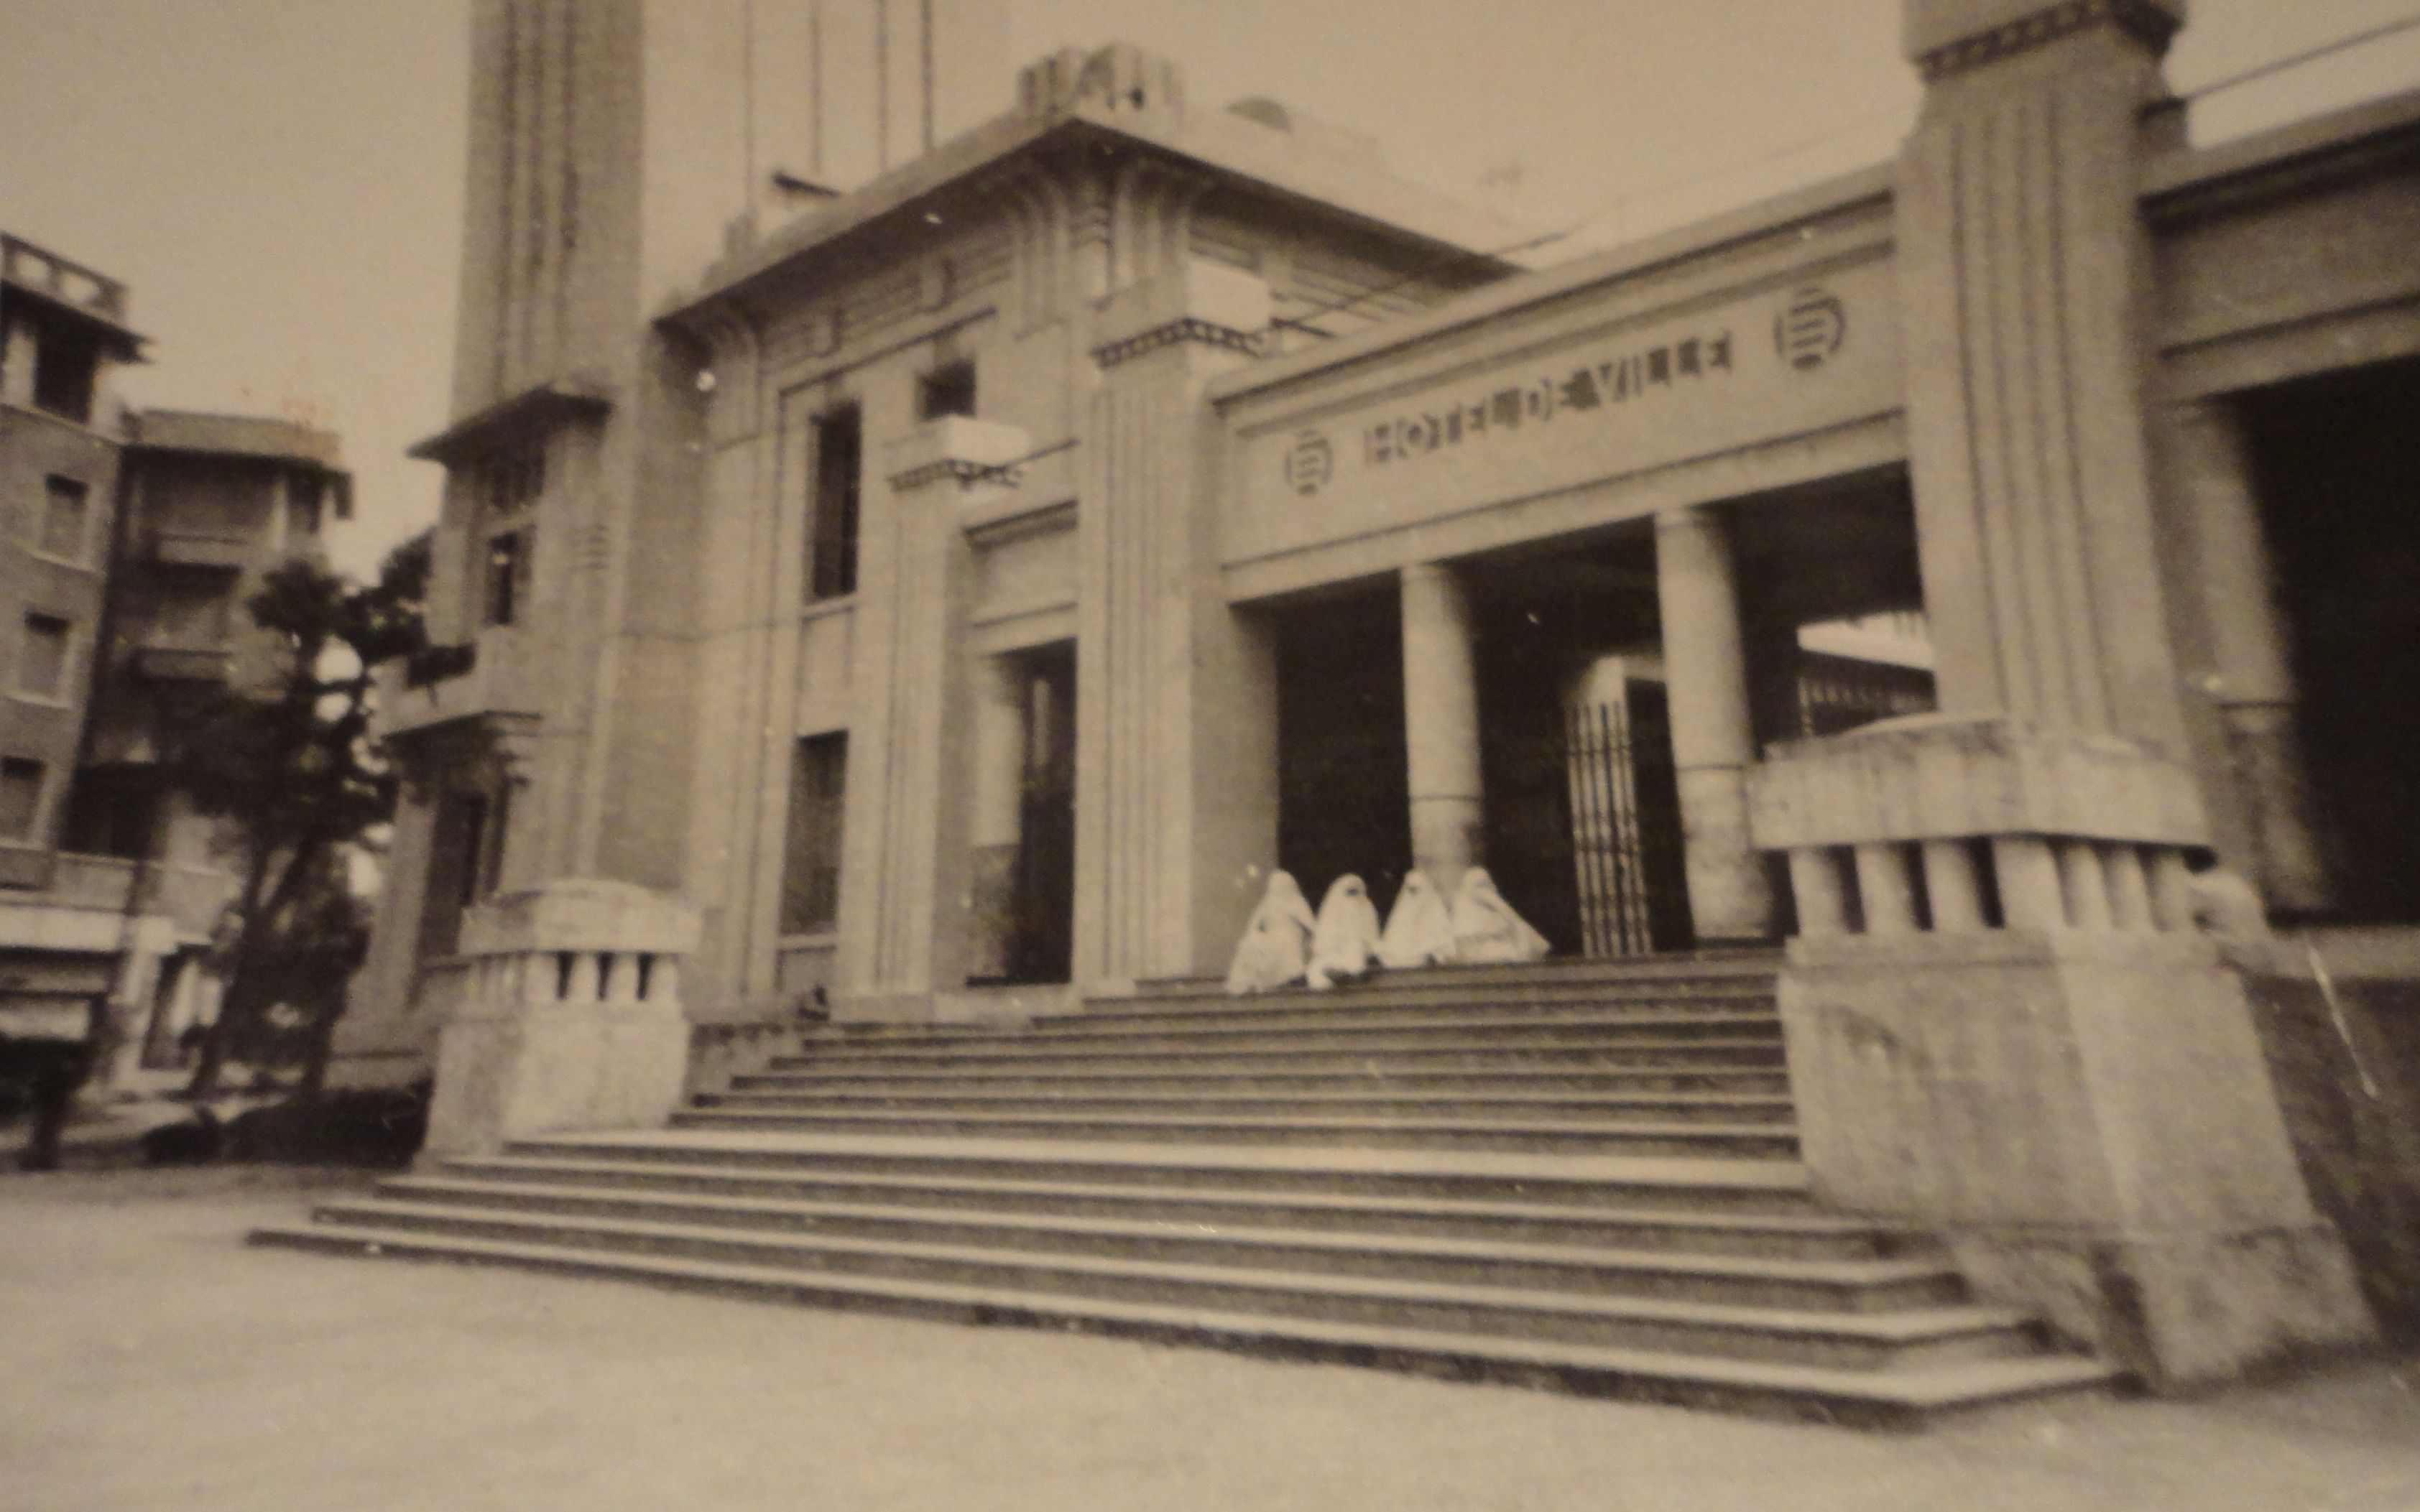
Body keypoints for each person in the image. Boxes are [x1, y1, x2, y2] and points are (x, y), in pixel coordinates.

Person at [1225, 871, 1317, 994]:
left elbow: (1310, 925)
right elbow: (1256, 925)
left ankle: (1293, 976)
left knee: (1285, 942)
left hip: (1292, 938)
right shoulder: (1270, 903)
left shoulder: (1294, 902)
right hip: (1275, 938)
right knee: (1254, 944)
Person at [1450, 868, 1551, 964]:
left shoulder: (1494, 907)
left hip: (1493, 948)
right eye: (1480, 885)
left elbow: (1513, 921)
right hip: (1479, 949)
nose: (1483, 890)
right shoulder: (1465, 906)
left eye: (1484, 884)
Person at [1306, 875, 1382, 988]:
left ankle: (1347, 974)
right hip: (1334, 949)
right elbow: (1325, 939)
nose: (1352, 897)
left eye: (1355, 892)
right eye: (1349, 892)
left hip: (1357, 946)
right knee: (1319, 966)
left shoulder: (1366, 907)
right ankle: (1337, 974)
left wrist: (1370, 948)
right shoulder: (1332, 912)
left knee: (1355, 954)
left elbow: (1371, 934)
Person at [1378, 871, 1456, 969]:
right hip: (1406, 961)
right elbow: (1395, 939)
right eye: (1412, 890)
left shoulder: (1435, 908)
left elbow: (1443, 936)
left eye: (1418, 889)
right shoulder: (1403, 909)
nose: (1415, 893)